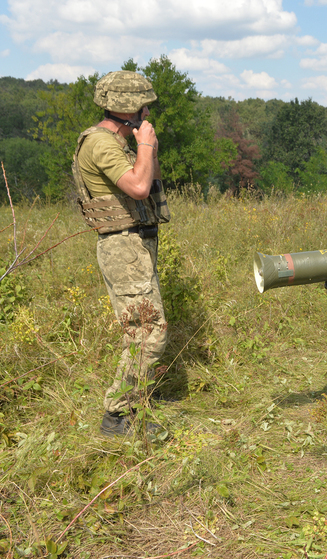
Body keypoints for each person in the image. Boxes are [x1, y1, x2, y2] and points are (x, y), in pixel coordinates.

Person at [71, 70, 171, 436]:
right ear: (129, 107)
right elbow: (140, 187)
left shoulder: (117, 141)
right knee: (149, 333)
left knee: (140, 331)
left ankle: (131, 407)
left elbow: (151, 177)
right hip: (123, 248)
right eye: (143, 105)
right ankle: (118, 415)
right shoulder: (101, 144)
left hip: (134, 245)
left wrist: (149, 148)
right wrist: (144, 144)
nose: (147, 111)